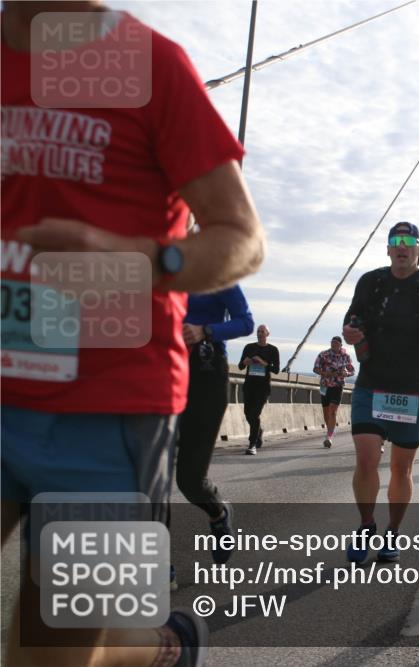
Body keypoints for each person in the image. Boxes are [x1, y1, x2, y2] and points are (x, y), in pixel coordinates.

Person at [0, 3, 265, 666]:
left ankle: (160, 648)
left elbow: (243, 240)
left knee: (50, 654)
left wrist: (142, 260)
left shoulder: (152, 65)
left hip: (108, 410)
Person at [342, 222, 419, 563]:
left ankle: (392, 532)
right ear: (388, 249)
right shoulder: (371, 282)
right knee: (366, 459)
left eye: (409, 241)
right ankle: (366, 525)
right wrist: (350, 333)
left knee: (400, 468)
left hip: (411, 389)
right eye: (396, 241)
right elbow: (351, 322)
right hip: (371, 383)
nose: (402, 246)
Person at [170, 284, 254, 590]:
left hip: (204, 375)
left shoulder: (217, 274)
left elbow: (245, 322)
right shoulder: (151, 268)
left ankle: (218, 512)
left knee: (190, 480)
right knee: (151, 475)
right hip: (159, 372)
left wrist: (205, 330)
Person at [238, 324, 280, 455]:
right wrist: (245, 362)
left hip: (263, 388)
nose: (260, 333)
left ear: (267, 334)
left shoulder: (273, 350)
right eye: (258, 331)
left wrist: (263, 363)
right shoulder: (249, 347)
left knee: (255, 414)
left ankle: (252, 444)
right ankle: (259, 431)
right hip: (249, 385)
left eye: (262, 331)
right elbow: (240, 366)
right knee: (248, 413)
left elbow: (276, 370)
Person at [313, 336, 355, 448]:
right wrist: (327, 374)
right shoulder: (323, 355)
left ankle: (329, 437)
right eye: (332, 343)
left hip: (338, 386)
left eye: (336, 343)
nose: (333, 345)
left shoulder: (345, 356)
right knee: (326, 412)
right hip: (325, 386)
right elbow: (315, 368)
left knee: (333, 411)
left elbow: (352, 370)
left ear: (341, 345)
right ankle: (329, 431)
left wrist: (347, 373)